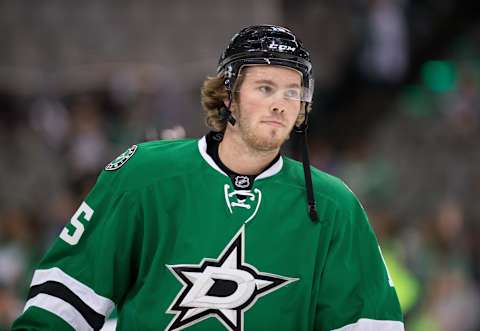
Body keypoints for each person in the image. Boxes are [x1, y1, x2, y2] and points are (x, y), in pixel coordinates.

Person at [12, 25, 404, 331]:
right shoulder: (144, 174)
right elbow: (63, 300)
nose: (280, 104)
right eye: (265, 87)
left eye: (292, 92)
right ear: (228, 95)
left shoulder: (334, 205)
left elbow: (370, 323)